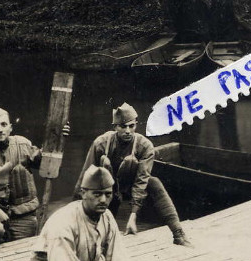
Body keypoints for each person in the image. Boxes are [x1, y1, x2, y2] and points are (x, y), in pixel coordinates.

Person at [76, 103, 191, 246]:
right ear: (115, 127)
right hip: (107, 191)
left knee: (154, 183)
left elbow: (141, 180)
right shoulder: (101, 143)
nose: (128, 131)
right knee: (98, 235)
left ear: (136, 125)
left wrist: (133, 214)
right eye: (123, 126)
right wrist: (78, 206)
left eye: (131, 126)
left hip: (131, 187)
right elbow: (86, 176)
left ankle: (178, 234)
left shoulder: (145, 146)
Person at [0, 104, 51, 241]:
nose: (0, 129)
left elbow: (47, 166)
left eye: (4, 124)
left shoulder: (23, 144)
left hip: (24, 217)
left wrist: (56, 137)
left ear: (10, 128)